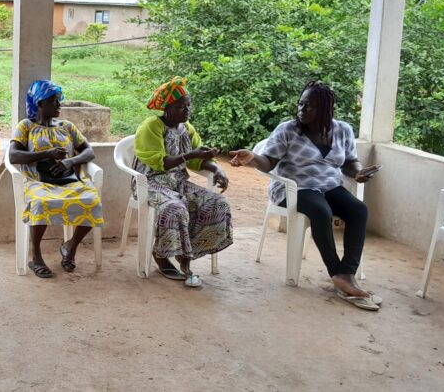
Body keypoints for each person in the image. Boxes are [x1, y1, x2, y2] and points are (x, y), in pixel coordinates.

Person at [229, 81, 382, 311]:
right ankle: (336, 273)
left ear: (325, 110)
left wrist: (359, 172)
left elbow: (350, 162)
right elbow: (269, 162)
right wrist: (252, 157)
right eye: (301, 104)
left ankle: (346, 272)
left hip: (329, 185)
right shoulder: (287, 130)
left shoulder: (342, 130)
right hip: (293, 188)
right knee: (321, 211)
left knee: (359, 210)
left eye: (309, 106)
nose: (302, 110)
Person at [133, 77, 233, 288]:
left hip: (177, 182)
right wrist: (189, 155)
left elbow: (199, 159)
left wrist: (217, 168)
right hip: (150, 182)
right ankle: (162, 254)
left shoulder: (186, 128)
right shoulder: (151, 126)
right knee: (174, 208)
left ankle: (186, 254)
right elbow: (160, 162)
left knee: (217, 203)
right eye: (181, 106)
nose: (186, 110)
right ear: (167, 108)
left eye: (188, 105)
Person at [8, 80, 104, 279]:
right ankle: (36, 256)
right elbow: (13, 156)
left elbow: (89, 151)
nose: (59, 106)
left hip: (67, 180)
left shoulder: (67, 126)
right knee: (42, 203)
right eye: (54, 101)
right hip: (37, 181)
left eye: (59, 101)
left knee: (92, 201)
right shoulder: (26, 126)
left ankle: (71, 246)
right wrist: (47, 154)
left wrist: (70, 162)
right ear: (40, 103)